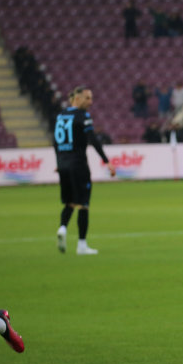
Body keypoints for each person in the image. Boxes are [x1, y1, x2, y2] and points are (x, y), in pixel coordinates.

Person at [54, 86, 116, 255]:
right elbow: (93, 140)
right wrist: (106, 161)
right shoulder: (82, 116)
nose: (91, 102)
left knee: (70, 202)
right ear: (77, 98)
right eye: (88, 98)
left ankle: (62, 228)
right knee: (83, 204)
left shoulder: (60, 115)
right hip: (78, 164)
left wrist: (58, 162)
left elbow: (56, 141)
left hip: (64, 165)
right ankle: (82, 245)